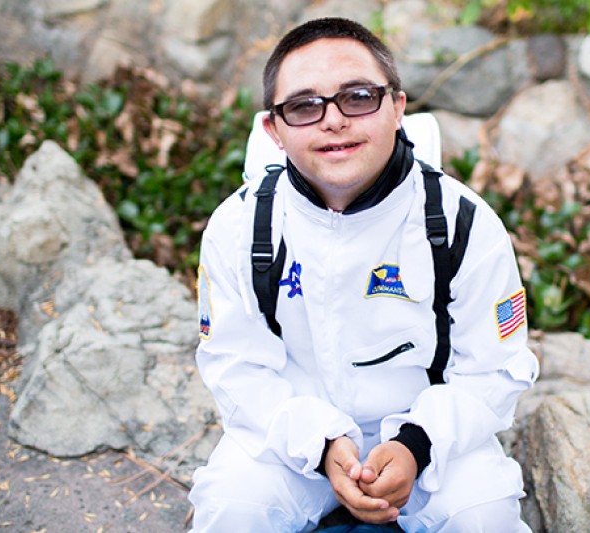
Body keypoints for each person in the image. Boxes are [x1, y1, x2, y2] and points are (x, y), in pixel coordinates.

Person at [188, 16, 539, 533]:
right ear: (274, 130)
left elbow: (495, 368)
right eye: (304, 106)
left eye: (357, 97)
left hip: (434, 442)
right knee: (231, 509)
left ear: (397, 107)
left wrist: (416, 445)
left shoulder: (462, 223)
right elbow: (234, 365)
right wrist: (322, 444)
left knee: (483, 517)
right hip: (290, 438)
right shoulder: (240, 225)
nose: (333, 121)